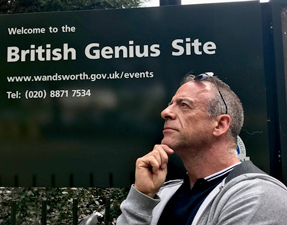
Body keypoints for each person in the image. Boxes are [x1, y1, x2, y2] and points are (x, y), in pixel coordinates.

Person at [116, 72, 287, 225]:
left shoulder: (258, 197)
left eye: (184, 105)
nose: (165, 112)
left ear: (220, 124)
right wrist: (142, 197)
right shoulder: (165, 194)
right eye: (170, 104)